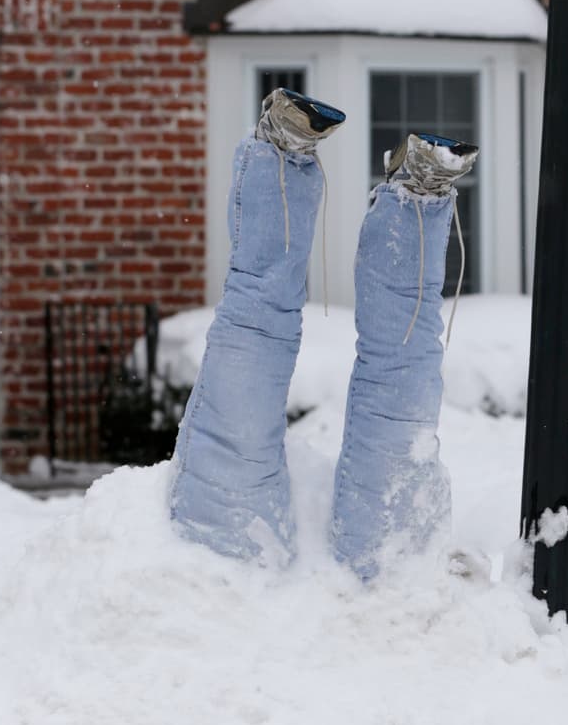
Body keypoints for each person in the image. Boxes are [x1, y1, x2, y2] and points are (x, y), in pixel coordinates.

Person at [168, 87, 478, 576]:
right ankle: (408, 194)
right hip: (276, 572)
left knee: (263, 314)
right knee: (387, 349)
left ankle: (397, 189)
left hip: (241, 561)